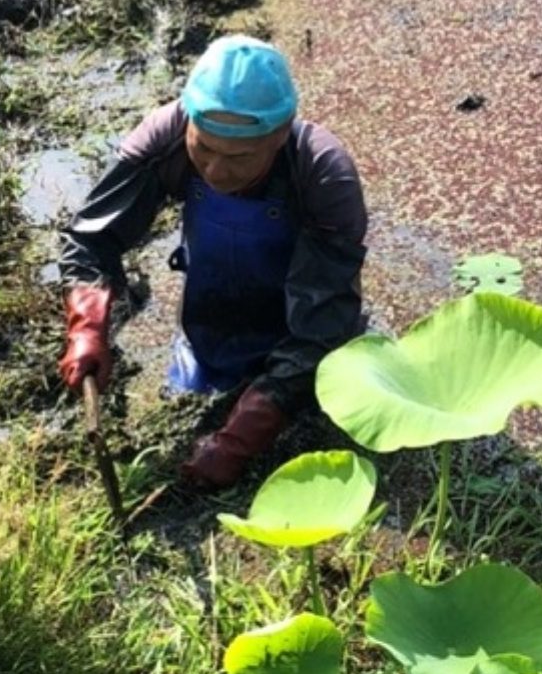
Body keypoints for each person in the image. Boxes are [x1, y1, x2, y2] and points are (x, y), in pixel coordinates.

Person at [57, 34, 368, 490]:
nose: (217, 171)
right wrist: (87, 326)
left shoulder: (321, 175)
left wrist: (243, 438)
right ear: (188, 122)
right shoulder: (164, 137)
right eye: (203, 149)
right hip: (206, 340)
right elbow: (91, 240)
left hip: (302, 340)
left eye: (240, 157)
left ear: (279, 136)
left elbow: (323, 323)